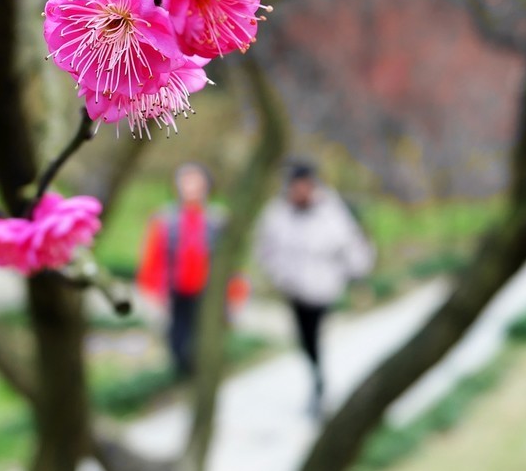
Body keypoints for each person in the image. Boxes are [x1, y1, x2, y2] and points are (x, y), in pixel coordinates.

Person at [255, 161, 375, 418]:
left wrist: (358, 275)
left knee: (315, 334)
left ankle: (319, 382)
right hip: (295, 287)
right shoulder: (277, 213)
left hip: (324, 285)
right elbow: (266, 249)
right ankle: (317, 377)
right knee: (305, 336)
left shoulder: (329, 210)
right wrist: (280, 276)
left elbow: (348, 243)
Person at [137, 163, 246, 379]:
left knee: (204, 339)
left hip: (208, 292)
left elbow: (231, 265)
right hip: (176, 290)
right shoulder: (165, 219)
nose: (191, 186)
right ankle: (184, 373)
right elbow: (153, 257)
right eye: (186, 180)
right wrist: (153, 291)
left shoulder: (218, 219)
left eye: (196, 180)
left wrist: (235, 294)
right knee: (176, 339)